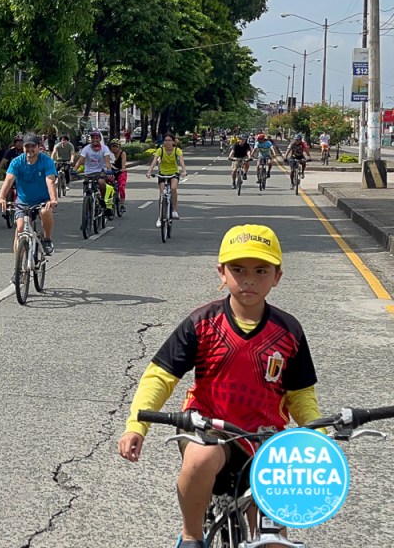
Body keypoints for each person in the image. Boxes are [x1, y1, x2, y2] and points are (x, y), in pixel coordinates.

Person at [118, 224, 321, 548]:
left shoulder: (289, 331)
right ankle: (191, 536)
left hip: (265, 438)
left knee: (274, 542)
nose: (249, 279)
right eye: (237, 269)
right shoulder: (203, 322)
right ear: (222, 273)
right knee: (201, 457)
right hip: (211, 428)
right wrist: (136, 426)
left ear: (277, 276)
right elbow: (160, 376)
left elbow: (300, 394)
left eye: (261, 270)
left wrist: (316, 434)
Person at [0, 132, 58, 257]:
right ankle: (18, 270)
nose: (30, 149)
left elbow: (50, 181)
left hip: (43, 200)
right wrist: (1, 198)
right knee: (19, 230)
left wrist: (53, 199)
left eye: (32, 146)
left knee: (45, 212)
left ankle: (47, 239)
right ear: (23, 147)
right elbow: (8, 180)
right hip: (23, 201)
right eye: (27, 146)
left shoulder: (46, 161)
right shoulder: (17, 162)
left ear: (39, 147)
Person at [146, 133, 188, 228]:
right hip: (162, 174)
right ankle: (160, 217)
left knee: (173, 188)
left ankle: (174, 211)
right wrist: (149, 171)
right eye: (165, 140)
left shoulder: (177, 150)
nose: (167, 142)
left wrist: (184, 171)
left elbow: (181, 161)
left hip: (173, 173)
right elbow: (154, 161)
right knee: (162, 194)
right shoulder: (160, 150)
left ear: (173, 141)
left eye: (169, 140)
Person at [73, 129, 115, 210]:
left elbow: (107, 162)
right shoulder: (86, 148)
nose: (95, 140)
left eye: (96, 138)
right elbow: (80, 160)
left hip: (100, 172)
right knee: (86, 187)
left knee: (101, 183)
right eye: (93, 138)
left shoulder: (104, 148)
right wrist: (74, 169)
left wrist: (109, 171)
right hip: (88, 173)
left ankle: (102, 200)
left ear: (99, 139)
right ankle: (87, 204)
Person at [107, 138, 128, 214]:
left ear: (119, 147)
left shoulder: (122, 153)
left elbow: (123, 165)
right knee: (107, 185)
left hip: (121, 172)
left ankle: (122, 204)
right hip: (111, 171)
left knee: (121, 186)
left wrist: (121, 169)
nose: (114, 148)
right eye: (113, 146)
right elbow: (107, 163)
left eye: (116, 146)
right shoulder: (108, 154)